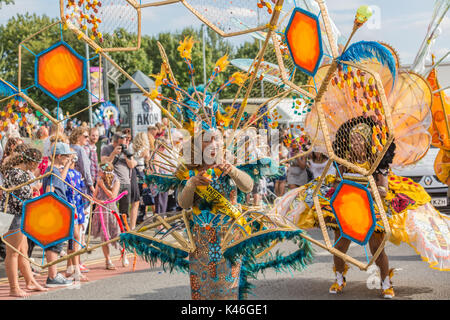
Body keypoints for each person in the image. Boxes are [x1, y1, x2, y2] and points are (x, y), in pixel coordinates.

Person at [1, 146, 48, 297]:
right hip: (12, 216)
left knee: (23, 252)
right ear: (31, 162)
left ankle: (30, 281)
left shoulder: (16, 172)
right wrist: (35, 191)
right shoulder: (18, 174)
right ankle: (14, 287)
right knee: (13, 253)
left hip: (11, 214)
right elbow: (22, 199)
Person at [42, 142, 75, 287]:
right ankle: (52, 276)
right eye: (66, 156)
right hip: (55, 211)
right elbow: (50, 191)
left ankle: (53, 275)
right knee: (54, 244)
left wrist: (67, 165)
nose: (68, 158)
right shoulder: (51, 171)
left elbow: (59, 181)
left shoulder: (54, 170)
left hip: (57, 210)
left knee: (56, 244)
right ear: (59, 156)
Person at [92, 162, 125, 269]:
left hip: (111, 210)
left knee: (116, 234)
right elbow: (94, 196)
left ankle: (123, 254)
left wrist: (103, 186)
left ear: (105, 172)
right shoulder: (98, 181)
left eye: (100, 171)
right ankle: (108, 260)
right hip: (100, 211)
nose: (98, 173)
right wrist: (98, 201)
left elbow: (113, 196)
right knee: (104, 237)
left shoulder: (116, 181)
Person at [64, 151, 89, 282]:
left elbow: (81, 190)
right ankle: (76, 270)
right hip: (70, 207)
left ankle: (70, 268)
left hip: (78, 207)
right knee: (75, 238)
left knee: (74, 239)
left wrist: (84, 206)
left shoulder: (78, 174)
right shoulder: (64, 174)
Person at [101, 132, 137, 218]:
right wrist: (113, 153)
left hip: (126, 182)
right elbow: (104, 163)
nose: (124, 144)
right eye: (122, 142)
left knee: (124, 211)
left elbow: (132, 165)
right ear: (115, 142)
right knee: (112, 208)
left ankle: (124, 228)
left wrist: (126, 154)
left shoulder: (126, 149)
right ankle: (114, 228)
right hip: (113, 183)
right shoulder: (106, 148)